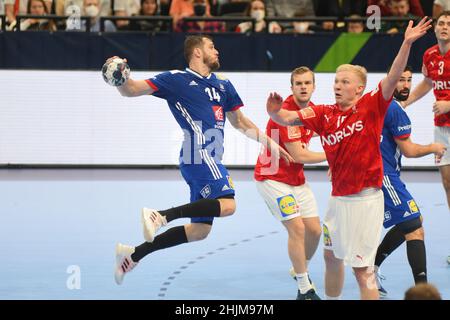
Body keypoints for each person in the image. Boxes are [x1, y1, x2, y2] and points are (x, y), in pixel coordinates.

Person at [266, 17, 432, 300]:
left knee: (362, 271)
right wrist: (273, 111)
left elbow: (392, 77)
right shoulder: (324, 113)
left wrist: (406, 43)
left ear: (359, 88)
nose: (338, 85)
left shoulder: (372, 106)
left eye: (345, 81)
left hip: (366, 201)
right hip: (338, 200)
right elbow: (287, 116)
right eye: (336, 81)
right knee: (330, 258)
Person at [107, 34, 294, 285]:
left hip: (211, 156)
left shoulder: (223, 85)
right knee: (228, 205)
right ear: (197, 52)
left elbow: (239, 121)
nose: (217, 51)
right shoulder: (175, 79)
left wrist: (268, 141)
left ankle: (133, 254)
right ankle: (160, 216)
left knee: (199, 231)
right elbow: (130, 90)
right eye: (211, 47)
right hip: (198, 152)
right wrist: (120, 75)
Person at [373, 66, 446, 298]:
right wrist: (434, 147)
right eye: (400, 80)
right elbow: (410, 150)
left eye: (408, 80)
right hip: (385, 176)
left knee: (414, 220)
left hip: (382, 173)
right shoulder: (395, 111)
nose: (405, 85)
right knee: (415, 228)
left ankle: (372, 266)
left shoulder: (378, 100)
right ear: (390, 80)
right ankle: (422, 291)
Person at [254, 66, 326, 300]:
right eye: (299, 84)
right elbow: (299, 155)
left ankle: (299, 267)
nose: (303, 87)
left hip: (296, 179)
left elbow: (325, 132)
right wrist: (335, 156)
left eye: (307, 83)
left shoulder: (313, 111)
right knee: (297, 228)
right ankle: (304, 287)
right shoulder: (286, 113)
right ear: (292, 87)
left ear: (314, 87)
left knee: (315, 231)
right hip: (272, 178)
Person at [403, 11, 450, 265]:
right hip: (442, 128)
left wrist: (448, 104)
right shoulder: (430, 54)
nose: (444, 27)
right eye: (441, 23)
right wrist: (406, 102)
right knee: (447, 184)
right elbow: (428, 83)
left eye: (449, 24)